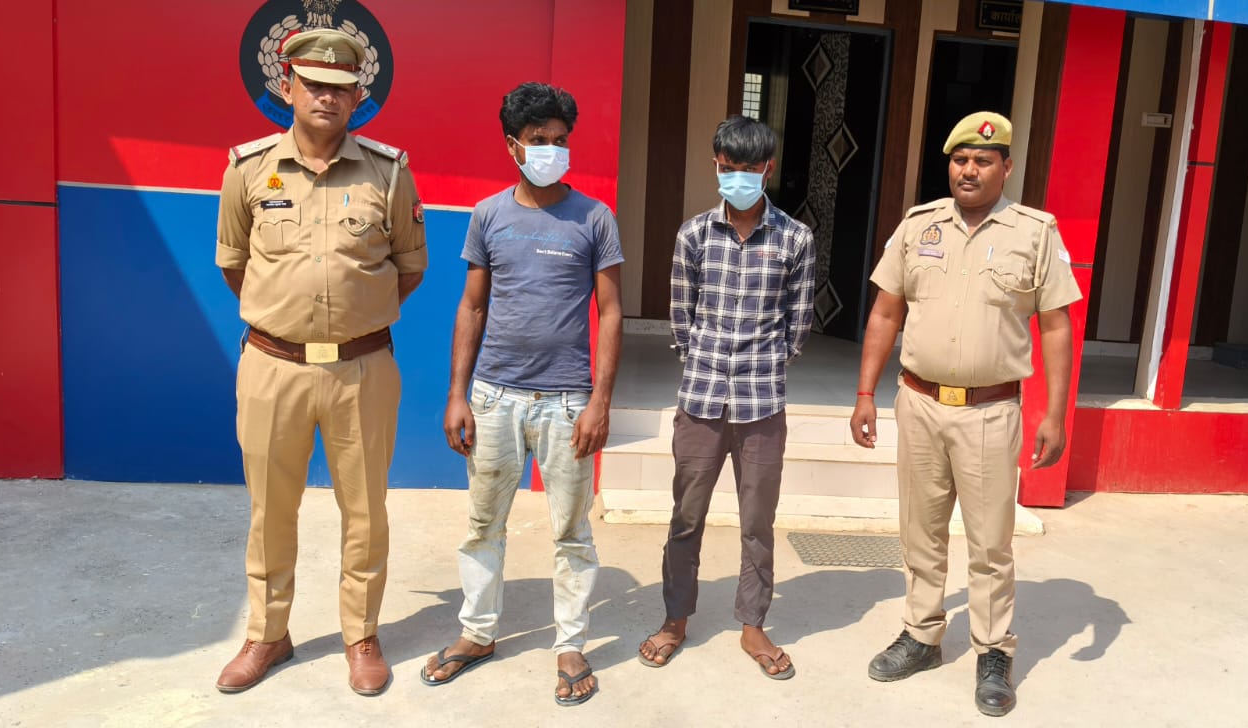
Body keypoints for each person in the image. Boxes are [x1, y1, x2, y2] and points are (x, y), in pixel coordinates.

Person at [213, 28, 426, 696]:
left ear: (358, 96)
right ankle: (267, 633)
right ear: (288, 88)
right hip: (271, 365)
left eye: (341, 88)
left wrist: (351, 318)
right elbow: (234, 264)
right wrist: (288, 318)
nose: (326, 97)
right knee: (270, 510)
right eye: (313, 84)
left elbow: (409, 267)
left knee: (365, 512)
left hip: (361, 369)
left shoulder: (388, 172)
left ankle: (361, 635)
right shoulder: (248, 169)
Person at [849, 111, 1080, 717]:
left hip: (990, 411)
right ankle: (922, 635)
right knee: (919, 530)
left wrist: (1055, 414)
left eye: (982, 160)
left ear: (1006, 167)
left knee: (990, 543)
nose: (969, 170)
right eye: (959, 160)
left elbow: (1056, 326)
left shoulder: (1035, 233)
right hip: (920, 403)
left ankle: (993, 652)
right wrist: (866, 392)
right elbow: (885, 312)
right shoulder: (917, 226)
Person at [420, 82, 624, 708]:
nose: (552, 151)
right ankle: (478, 632)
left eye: (561, 141)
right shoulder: (489, 215)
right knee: (484, 525)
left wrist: (600, 402)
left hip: (567, 402)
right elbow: (473, 305)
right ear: (513, 145)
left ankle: (571, 644)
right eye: (539, 141)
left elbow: (612, 312)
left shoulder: (594, 218)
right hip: (494, 397)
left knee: (572, 530)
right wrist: (458, 394)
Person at [637, 116, 816, 679]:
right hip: (701, 399)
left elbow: (797, 326)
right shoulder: (693, 235)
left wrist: (761, 365)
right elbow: (682, 317)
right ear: (716, 165)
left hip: (762, 403)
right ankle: (675, 619)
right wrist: (707, 361)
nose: (738, 176)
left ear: (768, 168)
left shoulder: (795, 238)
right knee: (686, 517)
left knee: (757, 522)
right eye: (728, 167)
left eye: (749, 168)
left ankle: (753, 624)